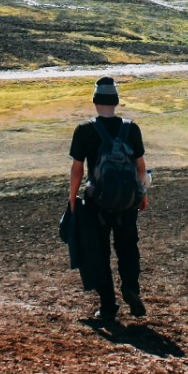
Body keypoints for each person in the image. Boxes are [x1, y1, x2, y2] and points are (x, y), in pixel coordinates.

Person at [69, 75, 149, 324]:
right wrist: (142, 195)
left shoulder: (84, 130)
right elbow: (141, 168)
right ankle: (131, 288)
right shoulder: (131, 128)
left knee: (100, 251)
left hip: (98, 204)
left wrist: (72, 197)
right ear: (116, 101)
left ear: (95, 101)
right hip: (127, 202)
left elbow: (77, 169)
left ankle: (108, 305)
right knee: (128, 247)